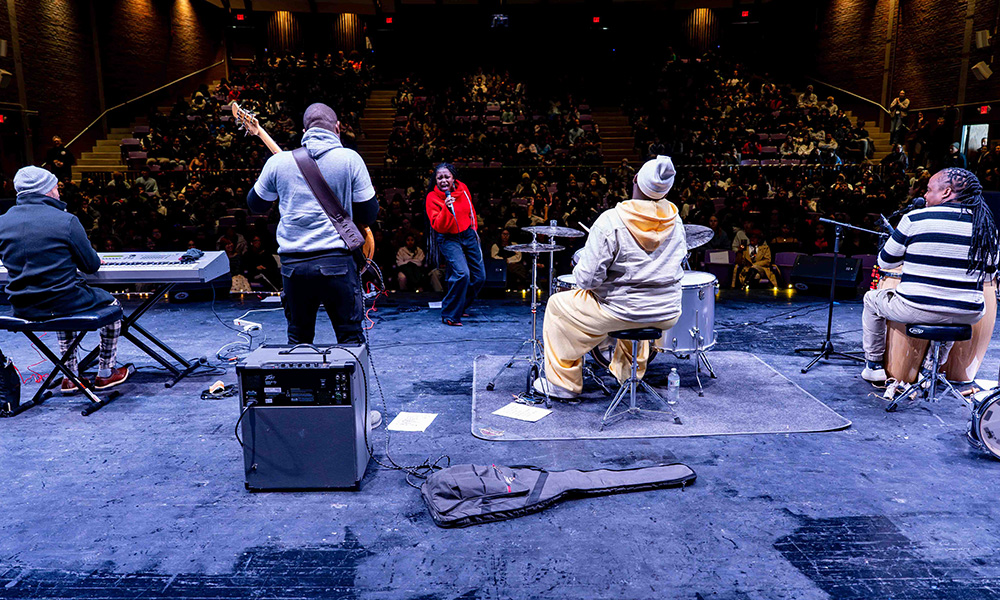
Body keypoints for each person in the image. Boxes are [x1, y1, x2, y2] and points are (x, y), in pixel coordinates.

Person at [533, 156, 687, 398]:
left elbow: (587, 281)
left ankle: (564, 384)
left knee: (557, 305)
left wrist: (580, 263)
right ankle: (629, 374)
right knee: (634, 308)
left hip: (623, 311)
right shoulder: (676, 221)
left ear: (635, 179)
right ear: (666, 190)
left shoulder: (611, 220)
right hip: (667, 312)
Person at [247, 102, 378, 344]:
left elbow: (256, 204)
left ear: (305, 132)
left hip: (294, 266)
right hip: (337, 264)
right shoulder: (350, 159)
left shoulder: (278, 162)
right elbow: (368, 214)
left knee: (298, 338)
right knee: (350, 338)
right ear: (337, 128)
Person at [861, 168, 999, 383]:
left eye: (928, 189)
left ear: (946, 192)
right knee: (950, 311)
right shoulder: (986, 226)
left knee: (871, 299)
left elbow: (885, 262)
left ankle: (874, 365)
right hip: (969, 312)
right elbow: (989, 272)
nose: (924, 195)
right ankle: (929, 370)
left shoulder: (915, 219)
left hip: (917, 308)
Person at [0, 166, 129, 392]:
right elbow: (91, 266)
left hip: (22, 305)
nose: (59, 192)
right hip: (62, 301)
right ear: (47, 191)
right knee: (111, 304)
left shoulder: (2, 221)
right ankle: (106, 373)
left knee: (61, 301)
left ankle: (70, 376)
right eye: (56, 187)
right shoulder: (66, 220)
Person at [425, 163, 485, 326]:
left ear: (453, 178)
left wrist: (473, 229)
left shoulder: (463, 188)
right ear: (435, 180)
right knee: (462, 274)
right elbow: (438, 226)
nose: (443, 180)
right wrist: (447, 208)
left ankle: (461, 305)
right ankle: (450, 314)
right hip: (448, 237)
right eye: (440, 178)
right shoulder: (432, 197)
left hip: (468, 234)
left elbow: (471, 210)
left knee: (479, 277)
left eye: (447, 177)